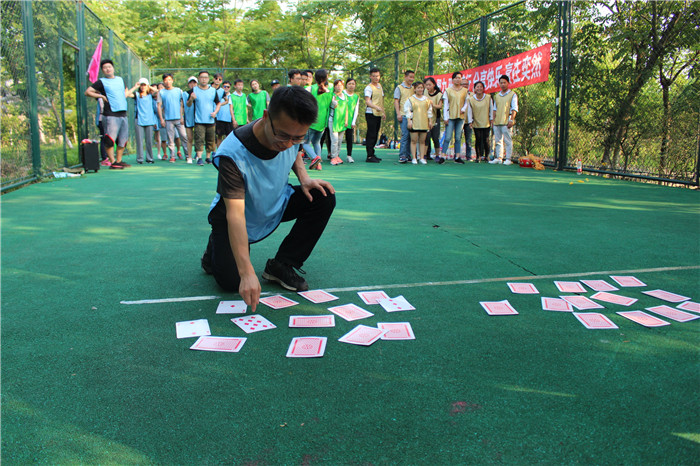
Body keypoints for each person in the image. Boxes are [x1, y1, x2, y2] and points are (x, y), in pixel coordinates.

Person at [200, 86, 336, 309]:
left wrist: (304, 177)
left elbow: (295, 149)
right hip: (235, 214)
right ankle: (214, 248)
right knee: (232, 282)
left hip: (275, 201)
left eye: (298, 137)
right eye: (282, 135)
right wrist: (246, 273)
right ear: (266, 116)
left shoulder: (291, 134)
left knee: (323, 196)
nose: (287, 143)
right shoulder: (232, 153)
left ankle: (281, 265)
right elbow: (235, 216)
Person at [84, 59, 132, 169]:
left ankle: (119, 161)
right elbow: (88, 92)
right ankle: (113, 161)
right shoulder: (101, 82)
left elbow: (125, 93)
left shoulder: (120, 80)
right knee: (110, 140)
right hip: (110, 114)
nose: (107, 69)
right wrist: (101, 96)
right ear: (102, 70)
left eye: (109, 67)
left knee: (123, 140)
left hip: (123, 114)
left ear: (113, 68)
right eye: (105, 68)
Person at [187, 70, 221, 165]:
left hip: (210, 120)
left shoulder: (213, 91)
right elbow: (188, 104)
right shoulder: (194, 90)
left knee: (210, 139)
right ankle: (199, 158)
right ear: (199, 78)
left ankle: (208, 157)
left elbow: (218, 103)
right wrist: (191, 99)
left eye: (206, 77)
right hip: (199, 120)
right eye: (202, 77)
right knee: (199, 139)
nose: (204, 79)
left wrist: (215, 112)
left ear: (208, 79)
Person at [158, 73, 189, 163]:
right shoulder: (161, 92)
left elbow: (182, 104)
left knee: (184, 137)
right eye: (165, 80)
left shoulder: (178, 90)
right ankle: (172, 156)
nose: (167, 82)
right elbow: (159, 106)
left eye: (169, 80)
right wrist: (161, 119)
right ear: (163, 81)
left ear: (172, 80)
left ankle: (188, 155)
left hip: (179, 119)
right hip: (168, 120)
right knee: (170, 139)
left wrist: (182, 116)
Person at [440, 71, 468, 164]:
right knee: (448, 137)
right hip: (451, 116)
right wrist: (445, 117)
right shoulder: (448, 90)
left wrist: (463, 109)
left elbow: (467, 102)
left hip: (460, 116)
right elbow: (446, 105)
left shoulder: (465, 91)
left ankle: (457, 156)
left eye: (459, 78)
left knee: (458, 137)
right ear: (452, 79)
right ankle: (443, 155)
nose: (457, 79)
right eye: (456, 77)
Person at [490, 74, 518, 165]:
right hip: (497, 121)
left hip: (506, 121)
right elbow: (495, 109)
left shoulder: (512, 95)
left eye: (504, 83)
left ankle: (508, 158)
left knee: (507, 140)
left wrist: (511, 119)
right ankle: (499, 157)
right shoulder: (497, 96)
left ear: (508, 83)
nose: (502, 84)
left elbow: (514, 108)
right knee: (498, 140)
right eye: (501, 83)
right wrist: (493, 120)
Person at [404, 81, 433, 164]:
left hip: (424, 122)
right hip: (414, 122)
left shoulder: (426, 100)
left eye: (421, 88)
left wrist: (430, 121)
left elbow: (429, 111)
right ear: (415, 89)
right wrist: (409, 121)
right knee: (413, 140)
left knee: (422, 141)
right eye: (418, 88)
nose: (420, 89)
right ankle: (414, 157)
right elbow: (407, 110)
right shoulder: (410, 99)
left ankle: (422, 157)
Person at [464, 80, 492, 163]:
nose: (479, 88)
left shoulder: (488, 97)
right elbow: (469, 111)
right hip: (476, 121)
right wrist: (470, 121)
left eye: (481, 87)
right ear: (474, 89)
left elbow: (491, 108)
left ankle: (487, 156)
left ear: (483, 88)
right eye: (477, 87)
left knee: (486, 139)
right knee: (478, 139)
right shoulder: (471, 99)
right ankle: (478, 156)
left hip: (486, 121)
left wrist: (491, 119)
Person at [308, 69, 333, 162]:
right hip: (323, 122)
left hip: (312, 120)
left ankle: (315, 158)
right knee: (316, 142)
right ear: (326, 77)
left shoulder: (311, 88)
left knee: (305, 143)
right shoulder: (331, 88)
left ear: (315, 78)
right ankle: (318, 164)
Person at [133, 78, 158, 164]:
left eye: (144, 85)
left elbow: (158, 91)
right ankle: (140, 159)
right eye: (141, 85)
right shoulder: (136, 95)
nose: (143, 87)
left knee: (149, 141)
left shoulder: (151, 95)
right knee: (139, 140)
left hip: (149, 121)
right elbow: (126, 94)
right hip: (139, 120)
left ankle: (150, 158)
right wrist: (135, 87)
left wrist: (149, 86)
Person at [393, 70, 415, 163]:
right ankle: (402, 155)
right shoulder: (399, 88)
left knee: (412, 136)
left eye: (413, 77)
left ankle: (409, 155)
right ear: (405, 77)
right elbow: (396, 101)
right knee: (405, 135)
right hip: (403, 114)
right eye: (410, 77)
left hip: (413, 115)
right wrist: (398, 113)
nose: (411, 79)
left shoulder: (414, 88)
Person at [364, 67, 384, 163]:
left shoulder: (380, 86)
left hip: (378, 113)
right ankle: (369, 156)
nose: (376, 78)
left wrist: (382, 112)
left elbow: (381, 100)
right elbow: (368, 102)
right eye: (374, 76)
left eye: (377, 76)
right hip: (370, 113)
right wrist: (376, 107)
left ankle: (372, 153)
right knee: (371, 134)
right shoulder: (368, 88)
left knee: (376, 134)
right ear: (370, 76)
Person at [329, 79, 350, 165]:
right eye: (337, 85)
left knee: (340, 140)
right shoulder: (332, 96)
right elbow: (332, 104)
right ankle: (333, 157)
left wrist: (346, 120)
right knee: (334, 140)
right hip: (333, 121)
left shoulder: (345, 96)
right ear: (334, 86)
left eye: (341, 85)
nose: (339, 87)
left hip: (342, 122)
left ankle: (337, 156)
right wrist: (334, 103)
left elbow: (346, 110)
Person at [423, 76, 443, 161]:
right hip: (425, 118)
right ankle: (424, 155)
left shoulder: (439, 94)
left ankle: (437, 155)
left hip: (435, 118)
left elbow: (439, 106)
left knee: (435, 137)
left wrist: (431, 104)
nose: (428, 87)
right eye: (426, 85)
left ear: (434, 85)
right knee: (426, 137)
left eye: (429, 85)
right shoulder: (424, 92)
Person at [212, 81, 235, 145]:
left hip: (229, 119)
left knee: (229, 137)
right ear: (222, 87)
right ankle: (219, 152)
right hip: (219, 119)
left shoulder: (232, 96)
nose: (226, 88)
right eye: (225, 86)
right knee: (219, 136)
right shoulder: (218, 95)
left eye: (228, 87)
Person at [344, 78, 360, 163]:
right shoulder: (342, 93)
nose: (351, 85)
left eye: (353, 84)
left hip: (350, 121)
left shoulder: (356, 97)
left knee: (349, 139)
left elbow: (356, 110)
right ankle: (335, 155)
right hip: (340, 121)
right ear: (346, 85)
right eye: (349, 83)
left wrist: (353, 121)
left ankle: (349, 155)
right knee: (337, 139)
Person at [182, 76, 197, 163]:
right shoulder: (185, 94)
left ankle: (198, 156)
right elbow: (184, 105)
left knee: (199, 138)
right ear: (188, 84)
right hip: (188, 118)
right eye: (191, 83)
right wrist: (181, 116)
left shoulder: (200, 93)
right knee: (190, 138)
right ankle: (189, 157)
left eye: (194, 83)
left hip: (199, 119)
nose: (193, 84)